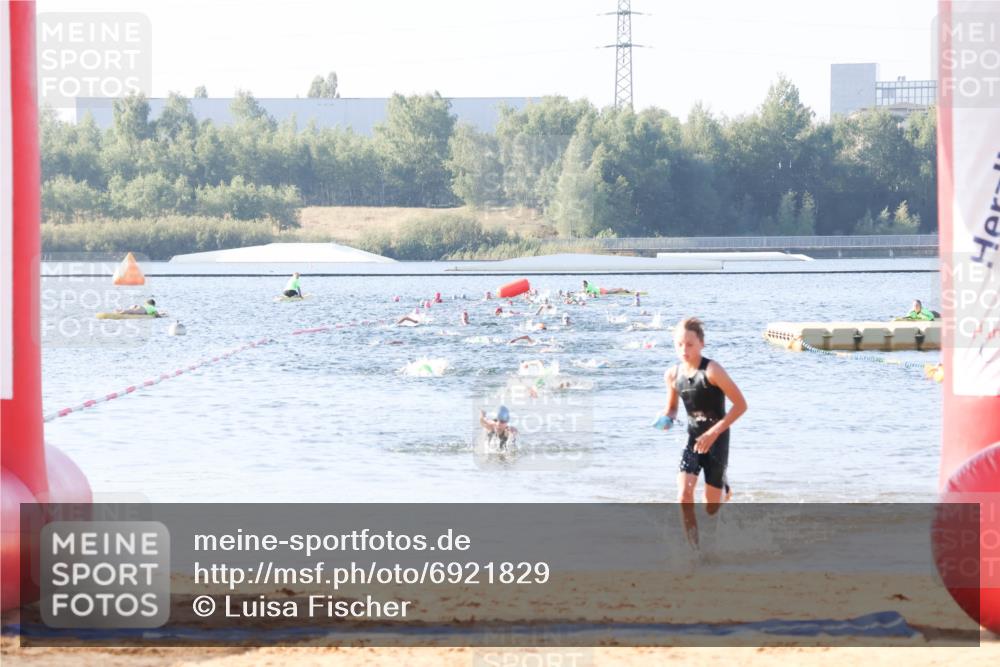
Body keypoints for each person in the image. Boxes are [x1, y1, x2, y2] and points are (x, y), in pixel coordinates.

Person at [660, 317, 747, 547]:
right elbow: (672, 408)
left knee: (711, 508)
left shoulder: (712, 370)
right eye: (679, 344)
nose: (684, 350)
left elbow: (741, 405)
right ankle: (693, 550)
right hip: (693, 439)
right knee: (684, 496)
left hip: (717, 439)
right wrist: (667, 418)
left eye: (689, 344)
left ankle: (724, 487)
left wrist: (713, 433)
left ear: (701, 343)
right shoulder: (672, 375)